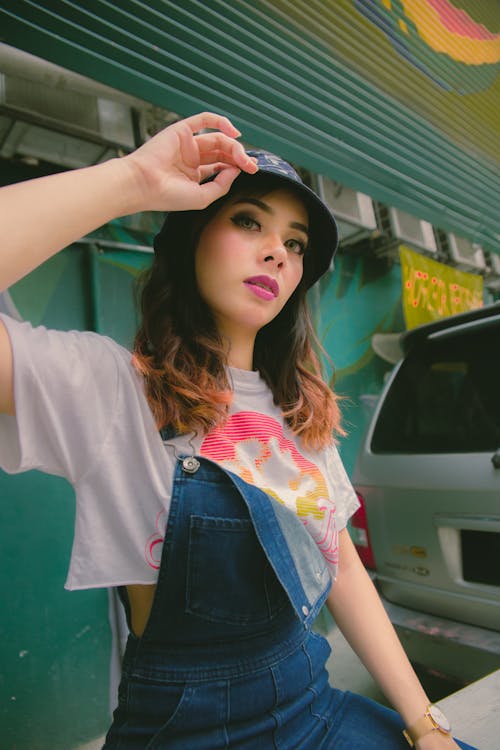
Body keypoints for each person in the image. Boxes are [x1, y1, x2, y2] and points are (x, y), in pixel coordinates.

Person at [0, 112, 476, 750]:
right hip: (190, 732)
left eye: (296, 242)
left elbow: (340, 568)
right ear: (193, 237)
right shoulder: (113, 390)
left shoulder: (300, 410)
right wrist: (134, 179)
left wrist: (426, 724)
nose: (278, 250)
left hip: (317, 709)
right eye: (248, 221)